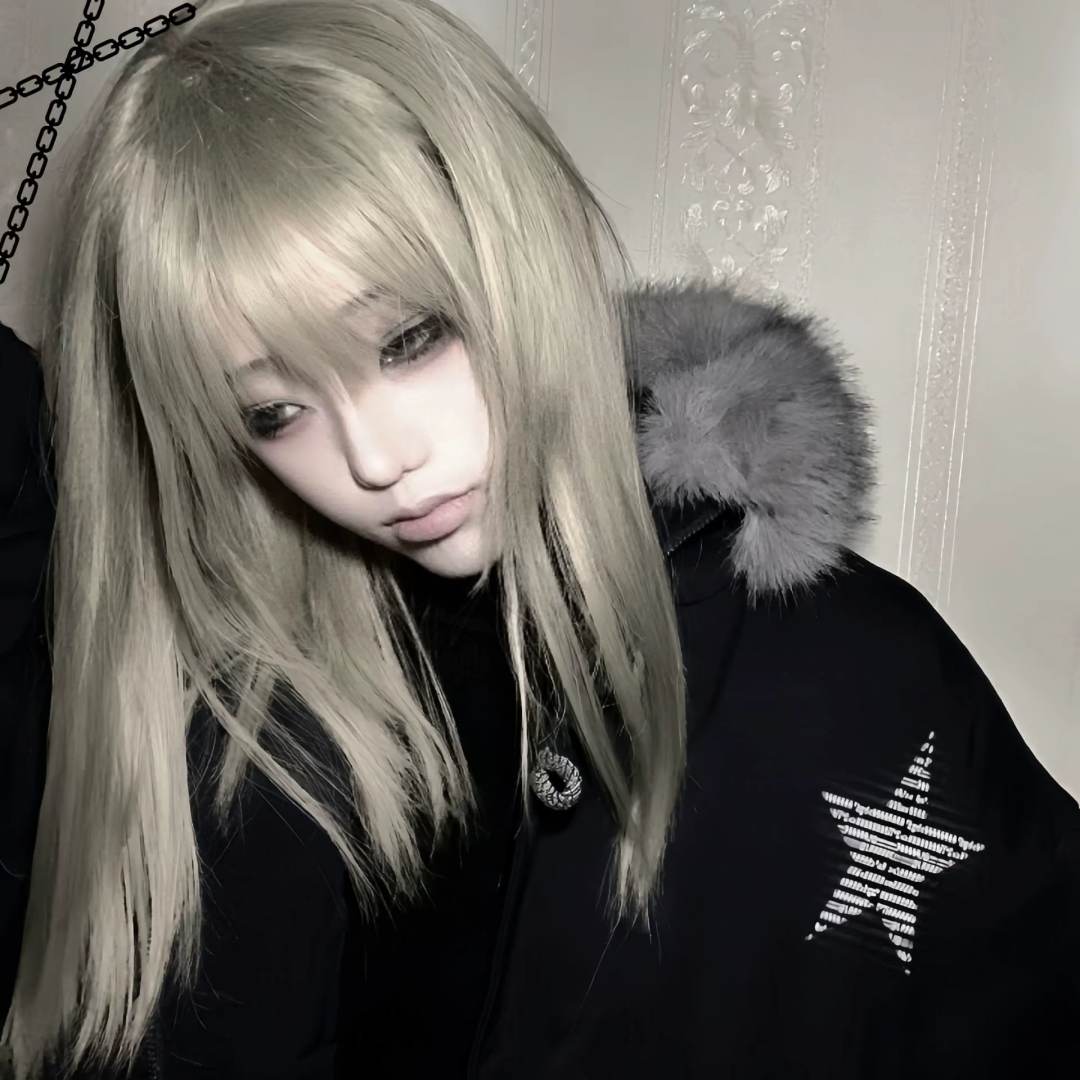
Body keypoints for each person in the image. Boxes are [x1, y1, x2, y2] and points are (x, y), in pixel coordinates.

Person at [2, 0, 1078, 1077]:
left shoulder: (843, 667)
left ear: (526, 244)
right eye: (275, 412)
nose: (378, 459)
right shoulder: (221, 731)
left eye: (410, 339)